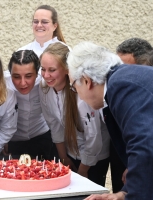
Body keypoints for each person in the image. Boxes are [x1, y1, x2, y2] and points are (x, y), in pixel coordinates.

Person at [67, 41, 153, 200]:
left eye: (73, 86)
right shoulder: (124, 78)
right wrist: (123, 194)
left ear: (87, 81)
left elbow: (145, 148)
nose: (76, 93)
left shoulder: (121, 84)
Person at [39, 42, 110, 186]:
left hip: (94, 159)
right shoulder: (45, 89)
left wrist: (83, 170)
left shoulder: (81, 94)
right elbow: (55, 125)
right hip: (70, 153)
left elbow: (94, 137)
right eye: (43, 69)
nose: (46, 75)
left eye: (52, 70)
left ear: (67, 70)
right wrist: (63, 156)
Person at [3, 50, 55, 159]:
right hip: (12, 142)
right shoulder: (2, 83)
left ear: (37, 73)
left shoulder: (45, 82)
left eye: (28, 76)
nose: (22, 83)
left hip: (41, 137)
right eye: (16, 77)